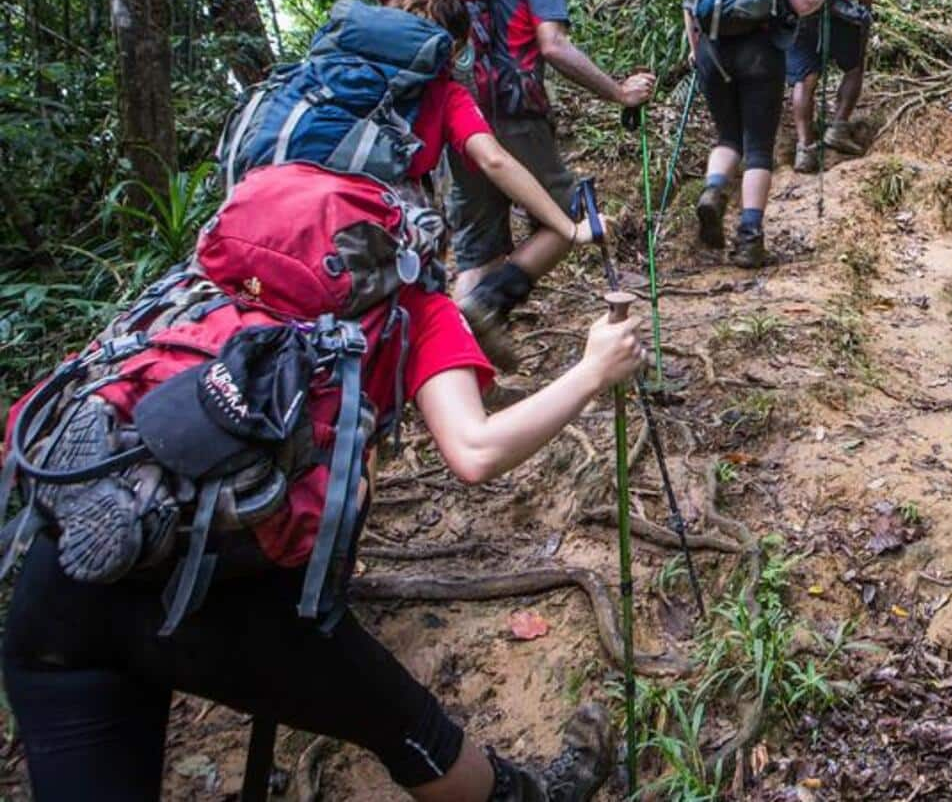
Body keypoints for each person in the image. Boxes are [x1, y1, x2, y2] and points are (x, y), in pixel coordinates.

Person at [2, 232, 653, 800]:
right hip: (225, 605)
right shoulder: (415, 307)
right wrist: (593, 370)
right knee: (416, 733)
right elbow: (476, 451)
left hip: (64, 574)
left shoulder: (224, 263)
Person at [446, 0, 654, 368]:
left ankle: (467, 375)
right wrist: (619, 92)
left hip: (459, 115)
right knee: (569, 217)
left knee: (480, 247)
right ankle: (487, 303)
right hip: (517, 115)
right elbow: (553, 45)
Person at [385, 0, 600, 259]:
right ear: (456, 46)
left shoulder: (344, 66)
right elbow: (494, 160)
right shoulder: (447, 94)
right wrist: (571, 230)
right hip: (382, 216)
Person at [685, 0, 838, 267]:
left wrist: (694, 48)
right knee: (757, 147)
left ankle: (715, 190)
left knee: (727, 137)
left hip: (711, 52)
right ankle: (750, 238)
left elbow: (690, 1)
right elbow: (802, 4)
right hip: (759, 53)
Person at [786, 0, 874, 174]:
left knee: (804, 79)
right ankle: (838, 127)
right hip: (840, 11)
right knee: (854, 66)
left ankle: (805, 148)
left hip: (802, 12)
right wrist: (865, 10)